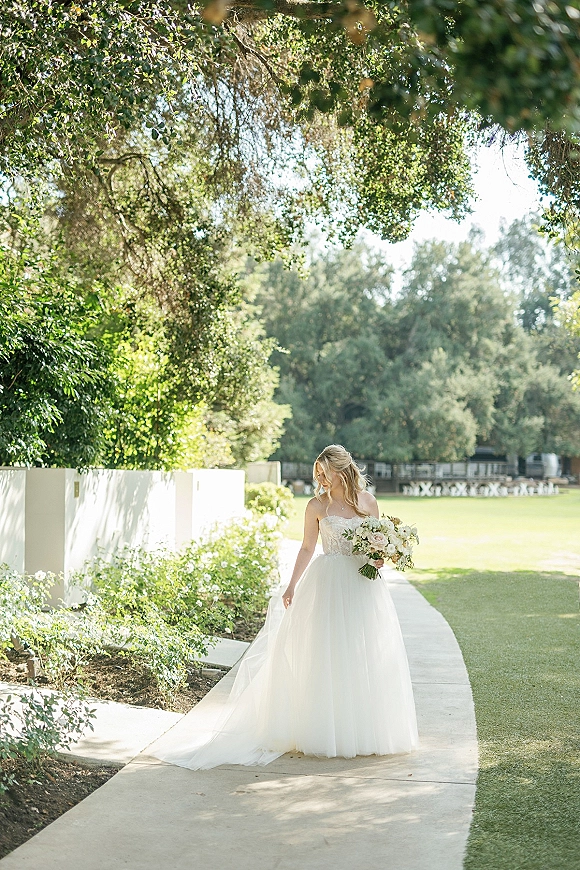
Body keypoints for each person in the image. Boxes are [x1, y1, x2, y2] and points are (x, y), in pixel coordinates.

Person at [151, 444, 418, 770]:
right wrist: (291, 585)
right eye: (317, 472)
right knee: (326, 654)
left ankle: (362, 731)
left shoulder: (369, 502)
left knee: (361, 653)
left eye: (324, 471)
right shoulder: (316, 505)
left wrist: (380, 559)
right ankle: (325, 731)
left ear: (342, 468)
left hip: (362, 586)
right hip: (329, 584)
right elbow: (307, 547)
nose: (319, 477)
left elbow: (377, 542)